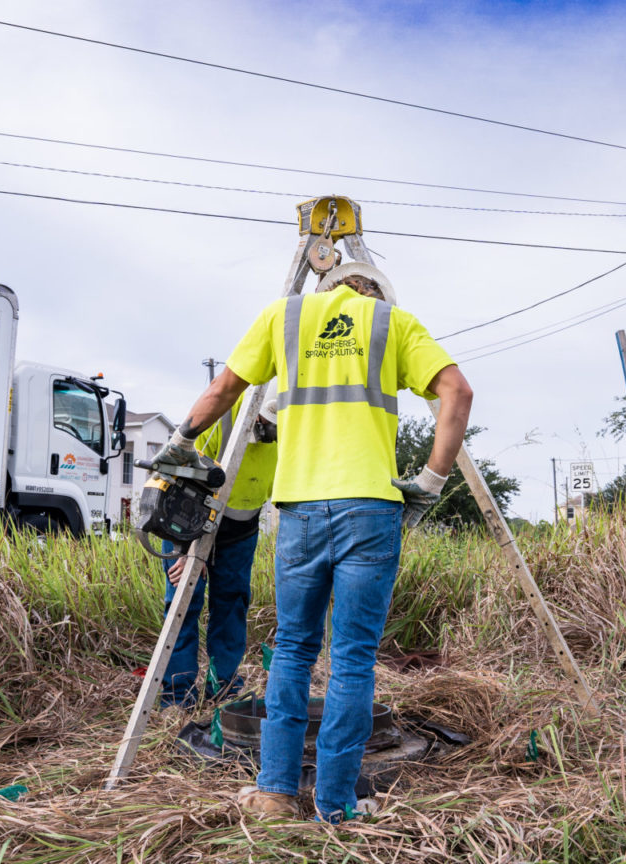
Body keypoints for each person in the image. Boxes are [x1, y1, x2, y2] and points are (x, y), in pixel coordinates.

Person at [149, 261, 472, 822]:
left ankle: (274, 792)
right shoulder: (392, 324)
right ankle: (336, 804)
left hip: (299, 509)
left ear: (327, 289)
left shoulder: (284, 318)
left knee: (295, 651)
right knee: (352, 660)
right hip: (370, 509)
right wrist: (431, 481)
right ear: (375, 292)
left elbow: (225, 387)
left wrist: (180, 440)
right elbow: (457, 392)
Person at [158, 395, 277, 707]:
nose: (271, 430)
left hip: (240, 529)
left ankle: (222, 690)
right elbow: (185, 483)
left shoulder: (290, 427)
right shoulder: (221, 415)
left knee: (232, 605)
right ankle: (176, 698)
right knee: (183, 604)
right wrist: (187, 551)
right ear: (257, 409)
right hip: (187, 519)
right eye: (267, 422)